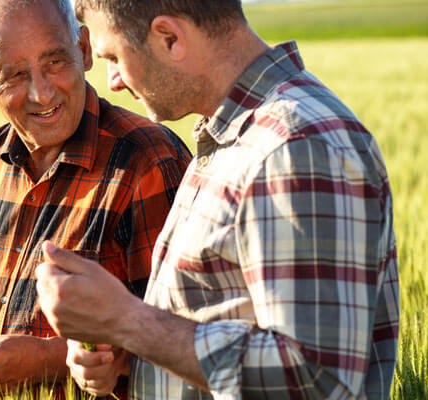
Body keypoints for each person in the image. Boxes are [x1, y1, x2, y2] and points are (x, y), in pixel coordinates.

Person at [35, 1, 399, 399]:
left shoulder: (295, 148)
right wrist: (129, 354)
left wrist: (129, 322)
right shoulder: (234, 135)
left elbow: (313, 380)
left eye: (114, 57)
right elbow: (226, 321)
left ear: (169, 38)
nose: (114, 80)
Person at [0, 0, 191, 396]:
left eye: (55, 62)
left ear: (84, 50)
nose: (42, 92)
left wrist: (46, 361)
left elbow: (185, 341)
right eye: (14, 75)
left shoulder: (148, 163)